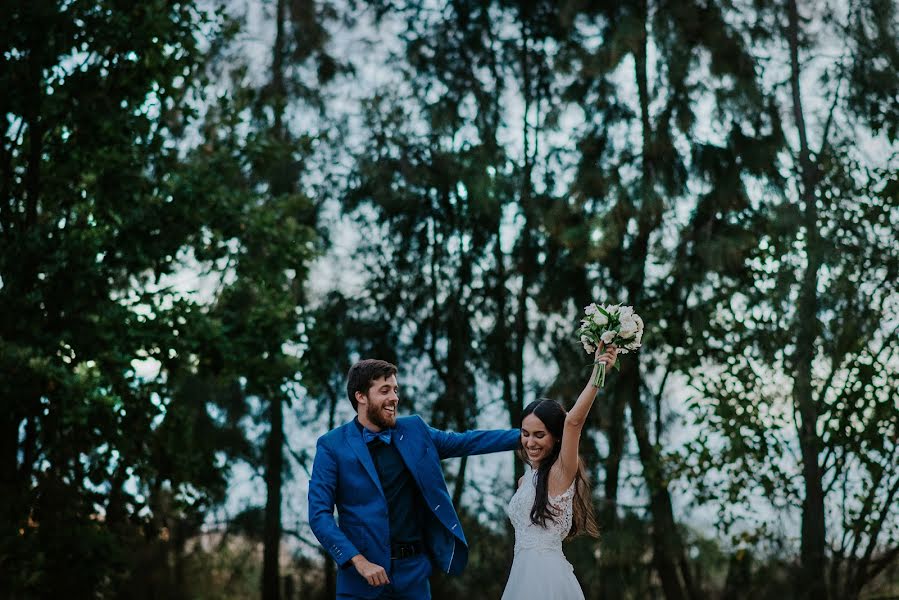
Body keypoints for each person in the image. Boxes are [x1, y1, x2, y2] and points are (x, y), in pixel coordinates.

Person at [308, 358, 519, 599]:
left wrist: (525, 437)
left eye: (396, 390)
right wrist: (358, 561)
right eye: (384, 390)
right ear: (361, 396)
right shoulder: (331, 446)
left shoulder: (415, 431)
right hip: (359, 583)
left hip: (414, 577)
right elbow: (318, 514)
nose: (395, 398)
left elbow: (467, 441)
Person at [501, 345, 618, 599]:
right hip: (521, 577)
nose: (530, 442)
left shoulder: (562, 472)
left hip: (548, 579)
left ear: (556, 438)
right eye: (525, 434)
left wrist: (599, 370)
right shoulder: (525, 480)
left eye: (539, 435)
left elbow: (573, 421)